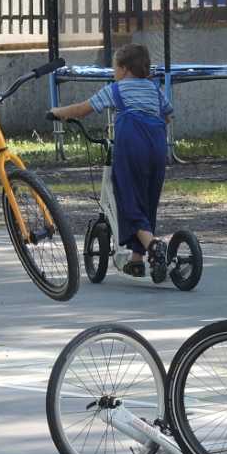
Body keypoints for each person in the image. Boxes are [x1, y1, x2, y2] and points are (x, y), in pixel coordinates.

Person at [48, 43, 173, 280]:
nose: (114, 72)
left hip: (131, 147)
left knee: (127, 198)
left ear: (124, 69)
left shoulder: (117, 89)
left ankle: (154, 245)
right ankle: (137, 260)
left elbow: (83, 109)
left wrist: (58, 112)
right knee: (147, 198)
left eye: (115, 67)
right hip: (157, 148)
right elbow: (167, 116)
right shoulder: (154, 90)